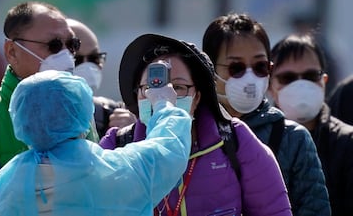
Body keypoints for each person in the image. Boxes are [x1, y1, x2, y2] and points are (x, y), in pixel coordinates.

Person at [100, 33, 292, 216]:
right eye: (152, 87)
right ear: (138, 95)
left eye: (178, 87)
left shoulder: (234, 140)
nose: (165, 97)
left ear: (197, 97)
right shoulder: (118, 145)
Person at [0, 70, 192, 215]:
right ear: (82, 113)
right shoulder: (118, 170)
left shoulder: (3, 185)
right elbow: (168, 148)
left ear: (21, 119)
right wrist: (164, 105)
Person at [0, 1, 97, 215]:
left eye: (72, 45)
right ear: (12, 51)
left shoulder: (81, 117)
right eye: (54, 45)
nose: (66, 55)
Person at [202, 13, 330, 216]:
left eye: (260, 66)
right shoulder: (190, 134)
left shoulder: (293, 138)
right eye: (236, 67)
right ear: (209, 69)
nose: (249, 78)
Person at [269, 33, 353, 216]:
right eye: (287, 78)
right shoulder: (255, 140)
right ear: (269, 86)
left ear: (324, 81)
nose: (301, 86)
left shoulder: (347, 142)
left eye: (310, 76)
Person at [67, 18, 136, 138]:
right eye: (76, 59)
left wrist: (131, 134)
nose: (87, 67)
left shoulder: (109, 113)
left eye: (94, 58)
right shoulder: (32, 115)